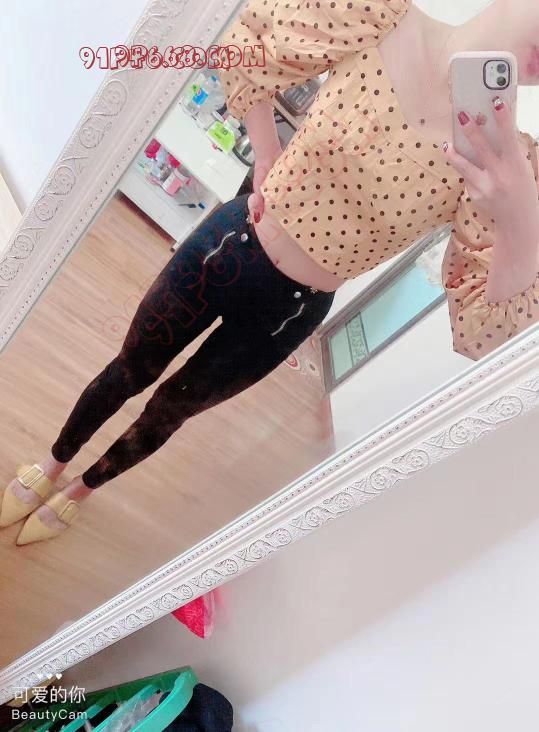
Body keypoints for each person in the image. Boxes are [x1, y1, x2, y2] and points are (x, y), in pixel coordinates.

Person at [1, 0, 538, 544]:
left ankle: (82, 490)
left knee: (170, 411)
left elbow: (488, 336)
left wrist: (520, 217)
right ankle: (53, 463)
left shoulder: (511, 164)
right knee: (131, 366)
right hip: (230, 246)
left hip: (288, 315)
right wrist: (264, 150)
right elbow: (245, 36)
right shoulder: (378, 15)